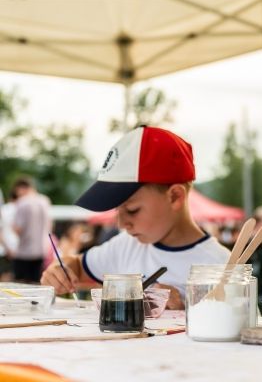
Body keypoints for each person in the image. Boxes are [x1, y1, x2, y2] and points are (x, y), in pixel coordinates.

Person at [41, 126, 230, 309]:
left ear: (175, 197)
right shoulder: (126, 245)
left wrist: (185, 312)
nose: (122, 223)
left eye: (132, 210)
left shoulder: (223, 266)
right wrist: (61, 268)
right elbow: (78, 267)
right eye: (117, 210)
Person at [11, 177, 52, 283]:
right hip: (41, 250)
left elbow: (18, 229)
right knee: (36, 284)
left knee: (20, 286)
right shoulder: (45, 200)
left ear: (21, 188)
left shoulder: (22, 202)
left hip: (24, 252)